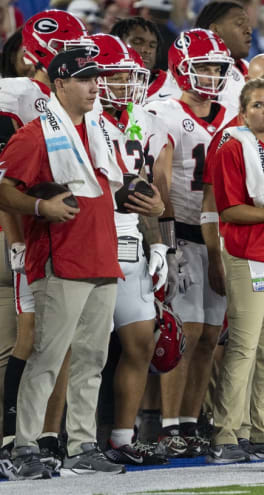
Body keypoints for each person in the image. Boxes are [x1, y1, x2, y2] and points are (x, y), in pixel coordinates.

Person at [0, 47, 126, 478]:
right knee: (46, 358)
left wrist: (144, 199)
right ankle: (23, 448)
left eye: (96, 78)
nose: (95, 86)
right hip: (60, 260)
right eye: (85, 78)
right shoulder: (35, 134)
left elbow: (113, 189)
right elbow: (5, 191)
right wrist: (39, 209)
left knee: (92, 359)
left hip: (103, 257)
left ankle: (82, 444)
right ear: (60, 84)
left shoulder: (102, 130)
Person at [0, 9, 95, 469]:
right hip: (27, 230)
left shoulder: (76, 107)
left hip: (62, 234)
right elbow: (8, 182)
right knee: (33, 338)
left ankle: (49, 436)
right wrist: (18, 239)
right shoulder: (19, 95)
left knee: (64, 340)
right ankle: (12, 440)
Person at [147, 28, 235, 458]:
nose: (212, 75)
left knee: (211, 336)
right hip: (180, 233)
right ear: (182, 67)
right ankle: (167, 426)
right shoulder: (163, 112)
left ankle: (190, 420)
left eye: (218, 67)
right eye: (203, 66)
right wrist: (162, 243)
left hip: (217, 239)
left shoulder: (233, 111)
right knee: (186, 332)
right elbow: (160, 179)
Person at [88, 33, 171, 466]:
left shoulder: (137, 119)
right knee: (84, 352)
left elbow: (144, 190)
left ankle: (123, 437)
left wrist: (158, 244)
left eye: (128, 75)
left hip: (131, 240)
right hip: (92, 240)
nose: (124, 83)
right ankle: (69, 440)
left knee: (140, 343)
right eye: (115, 75)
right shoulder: (82, 118)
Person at [206, 78, 264, 463]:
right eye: (257, 104)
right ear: (242, 113)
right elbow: (227, 210)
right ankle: (225, 434)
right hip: (246, 256)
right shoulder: (231, 146)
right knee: (243, 347)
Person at [195, 1, 253, 116]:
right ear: (215, 30)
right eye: (240, 24)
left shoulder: (250, 69)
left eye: (249, 25)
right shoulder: (189, 69)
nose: (249, 30)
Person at [110, 17, 181, 103]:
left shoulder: (175, 90)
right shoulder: (99, 85)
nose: (147, 50)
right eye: (137, 42)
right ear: (116, 44)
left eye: (152, 46)